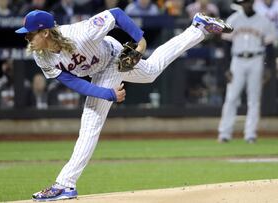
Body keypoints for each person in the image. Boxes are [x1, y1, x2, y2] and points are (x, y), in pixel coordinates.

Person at [15, 8, 233, 201]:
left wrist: (141, 40)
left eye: (30, 35)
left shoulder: (81, 32)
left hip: (112, 58)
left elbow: (117, 14)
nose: (27, 39)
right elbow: (73, 82)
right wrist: (106, 93)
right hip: (97, 72)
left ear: (45, 32)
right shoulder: (42, 57)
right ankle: (198, 28)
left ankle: (64, 184)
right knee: (151, 72)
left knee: (91, 122)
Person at [217, 0, 276, 144]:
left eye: (249, 2)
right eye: (244, 2)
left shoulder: (264, 21)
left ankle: (250, 134)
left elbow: (269, 47)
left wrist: (268, 67)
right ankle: (224, 133)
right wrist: (226, 68)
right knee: (231, 97)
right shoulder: (233, 19)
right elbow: (226, 45)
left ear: (253, 3)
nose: (247, 4)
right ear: (241, 4)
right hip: (237, 60)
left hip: (256, 59)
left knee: (254, 99)